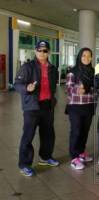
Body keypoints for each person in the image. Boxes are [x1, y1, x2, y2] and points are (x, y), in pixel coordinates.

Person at [14, 40, 60, 176]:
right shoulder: (27, 67)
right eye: (39, 50)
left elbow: (52, 88)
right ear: (35, 51)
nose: (42, 53)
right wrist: (26, 88)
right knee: (28, 135)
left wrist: (53, 99)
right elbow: (17, 84)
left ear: (49, 52)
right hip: (32, 106)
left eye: (45, 51)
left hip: (47, 105)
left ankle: (45, 157)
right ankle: (24, 164)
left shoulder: (52, 68)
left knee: (48, 134)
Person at [65, 48, 95, 170]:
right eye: (84, 55)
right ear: (79, 57)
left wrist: (87, 89)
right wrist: (78, 89)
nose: (86, 58)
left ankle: (81, 152)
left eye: (89, 56)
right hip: (75, 106)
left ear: (92, 58)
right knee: (76, 131)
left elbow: (97, 88)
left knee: (84, 131)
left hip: (89, 105)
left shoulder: (93, 72)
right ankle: (74, 157)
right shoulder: (73, 72)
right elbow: (68, 88)